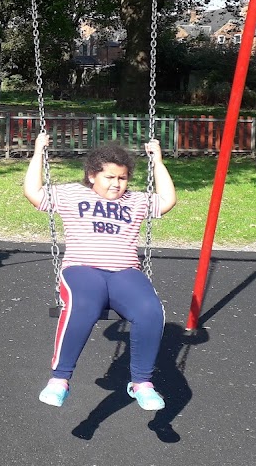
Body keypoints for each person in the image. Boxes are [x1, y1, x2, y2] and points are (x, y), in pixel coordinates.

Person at [24, 132, 177, 411]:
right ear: (92, 175)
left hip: (124, 272)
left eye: (122, 178)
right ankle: (60, 379)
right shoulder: (71, 194)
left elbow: (167, 199)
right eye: (110, 177)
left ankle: (142, 383)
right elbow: (33, 194)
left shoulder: (135, 200)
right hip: (83, 270)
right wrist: (38, 153)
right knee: (84, 305)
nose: (117, 184)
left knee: (150, 310)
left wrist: (157, 162)